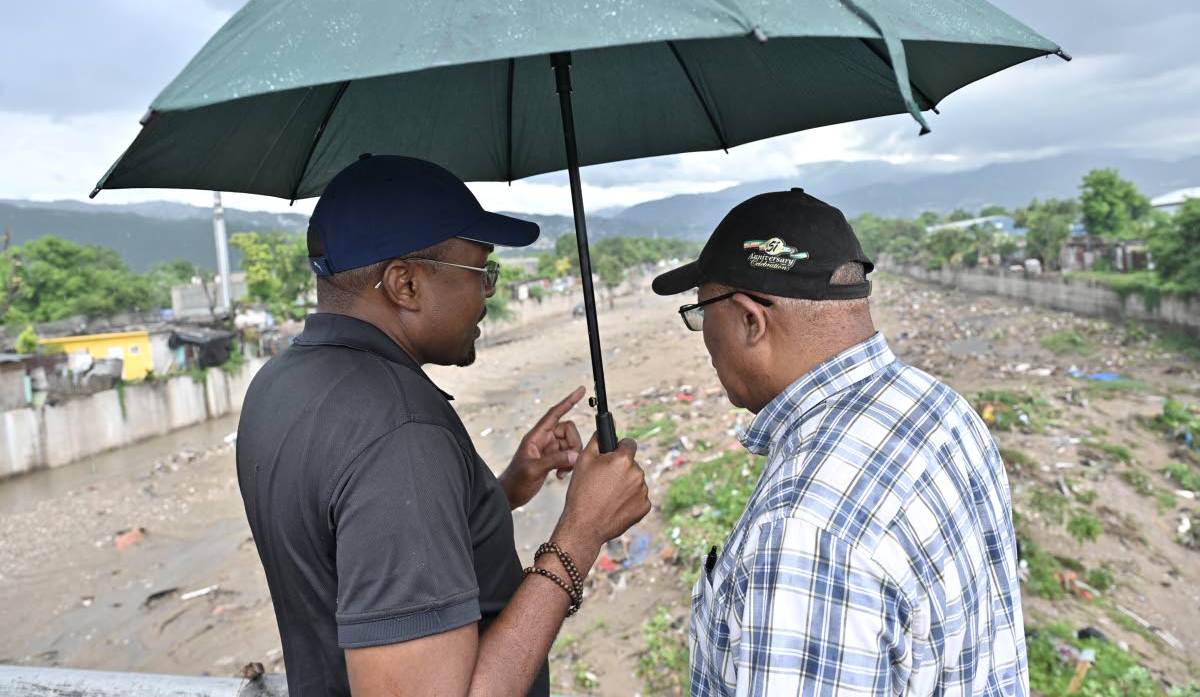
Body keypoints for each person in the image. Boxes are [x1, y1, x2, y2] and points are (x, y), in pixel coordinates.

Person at [236, 155, 651, 697]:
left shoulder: (279, 383)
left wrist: (502, 491)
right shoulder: (401, 438)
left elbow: (367, 548)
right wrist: (581, 532)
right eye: (482, 272)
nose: (489, 294)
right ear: (405, 284)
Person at [653, 188, 1026, 696]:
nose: (703, 337)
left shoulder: (804, 533)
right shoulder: (943, 408)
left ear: (749, 320)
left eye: (701, 313)